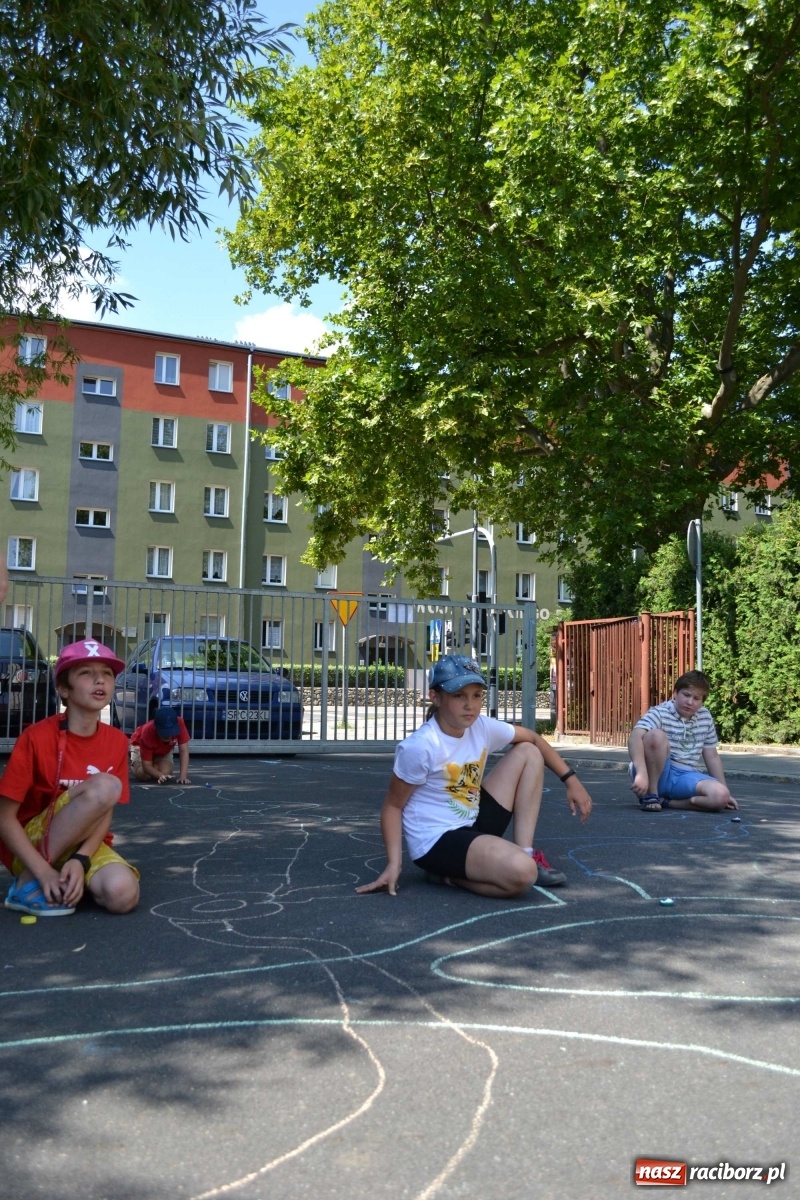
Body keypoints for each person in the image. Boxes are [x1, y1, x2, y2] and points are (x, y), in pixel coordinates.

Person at [356, 654, 593, 899]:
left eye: (477, 695)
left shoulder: (480, 726)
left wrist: (571, 780)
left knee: (529, 752)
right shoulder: (421, 746)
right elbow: (393, 806)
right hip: (437, 841)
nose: (470, 705)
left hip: (473, 823)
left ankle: (526, 852)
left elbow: (533, 737)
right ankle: (448, 875)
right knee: (523, 874)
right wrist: (394, 864)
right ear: (435, 697)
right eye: (459, 696)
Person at [0, 639, 141, 917]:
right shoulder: (36, 737)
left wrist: (80, 859)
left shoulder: (116, 741)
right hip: (30, 846)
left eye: (107, 673)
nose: (100, 679)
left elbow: (105, 812)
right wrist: (42, 870)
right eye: (86, 673)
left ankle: (65, 879)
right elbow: (4, 818)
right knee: (105, 785)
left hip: (82, 842)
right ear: (64, 689)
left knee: (123, 894)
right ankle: (29, 882)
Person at [628, 669, 738, 813]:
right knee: (655, 735)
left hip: (685, 776)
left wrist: (726, 791)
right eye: (686, 695)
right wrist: (641, 773)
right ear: (675, 693)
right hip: (657, 772)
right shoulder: (660, 712)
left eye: (696, 698)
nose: (690, 702)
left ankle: (667, 802)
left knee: (721, 796)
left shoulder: (705, 717)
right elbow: (635, 736)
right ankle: (651, 794)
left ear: (702, 702)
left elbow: (712, 756)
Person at [130, 706, 191, 784]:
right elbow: (146, 766)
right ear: (156, 727)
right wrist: (159, 775)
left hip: (163, 749)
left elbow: (184, 751)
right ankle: (135, 765)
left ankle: (155, 766)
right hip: (139, 745)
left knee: (166, 772)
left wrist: (183, 776)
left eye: (171, 732)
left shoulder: (180, 723)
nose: (168, 736)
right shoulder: (147, 732)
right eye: (165, 733)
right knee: (145, 775)